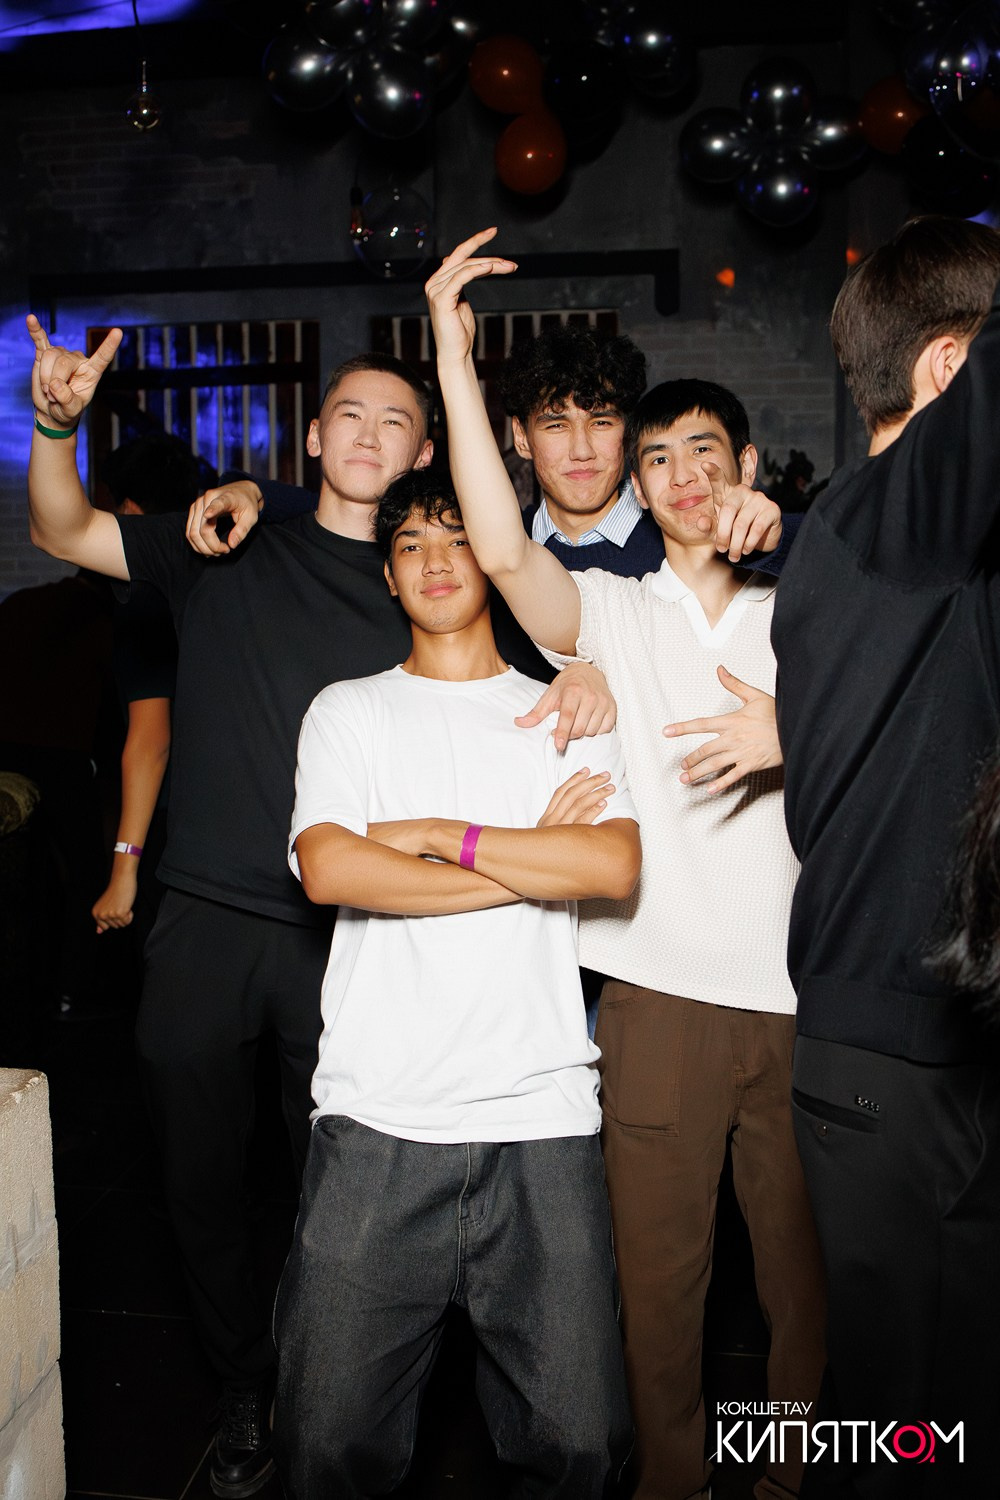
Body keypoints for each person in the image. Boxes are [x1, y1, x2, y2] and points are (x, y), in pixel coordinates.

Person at [25, 316, 613, 1498]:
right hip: (205, 914)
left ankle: (322, 1376)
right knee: (195, 1177)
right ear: (312, 434)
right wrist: (52, 428)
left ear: (423, 454)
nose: (370, 434)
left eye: (397, 421)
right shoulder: (225, 539)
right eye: (350, 413)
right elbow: (63, 528)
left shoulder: (427, 575)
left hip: (350, 934)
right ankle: (245, 1381)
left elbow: (552, 624)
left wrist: (592, 662)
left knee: (336, 1194)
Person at [425, 229, 827, 1500]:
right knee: (657, 1288)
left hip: (809, 999)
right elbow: (502, 552)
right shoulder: (607, 611)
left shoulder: (816, 607)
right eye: (656, 459)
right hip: (656, 999)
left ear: (746, 469)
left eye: (704, 451)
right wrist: (450, 350)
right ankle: (672, 1484)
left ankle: (791, 1478)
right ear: (638, 496)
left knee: (806, 1286)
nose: (681, 474)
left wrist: (797, 728)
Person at [273, 468, 640, 1497]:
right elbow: (331, 869)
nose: (435, 561)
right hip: (377, 1119)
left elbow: (609, 864)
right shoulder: (347, 712)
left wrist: (432, 835)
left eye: (456, 538)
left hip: (541, 1117)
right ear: (389, 577)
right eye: (410, 546)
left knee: (580, 1446)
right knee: (326, 1444)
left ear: (495, 556)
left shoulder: (565, 712)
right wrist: (525, 862)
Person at [771, 215, 1000, 1497]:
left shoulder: (908, 553)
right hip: (893, 1066)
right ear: (947, 369)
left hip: (932, 1043)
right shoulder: (891, 521)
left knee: (939, 1410)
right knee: (898, 1429)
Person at [91, 433, 208, 949]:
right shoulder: (220, 571)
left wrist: (123, 869)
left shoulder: (144, 595)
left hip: (172, 826)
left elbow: (150, 740)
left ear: (130, 511)